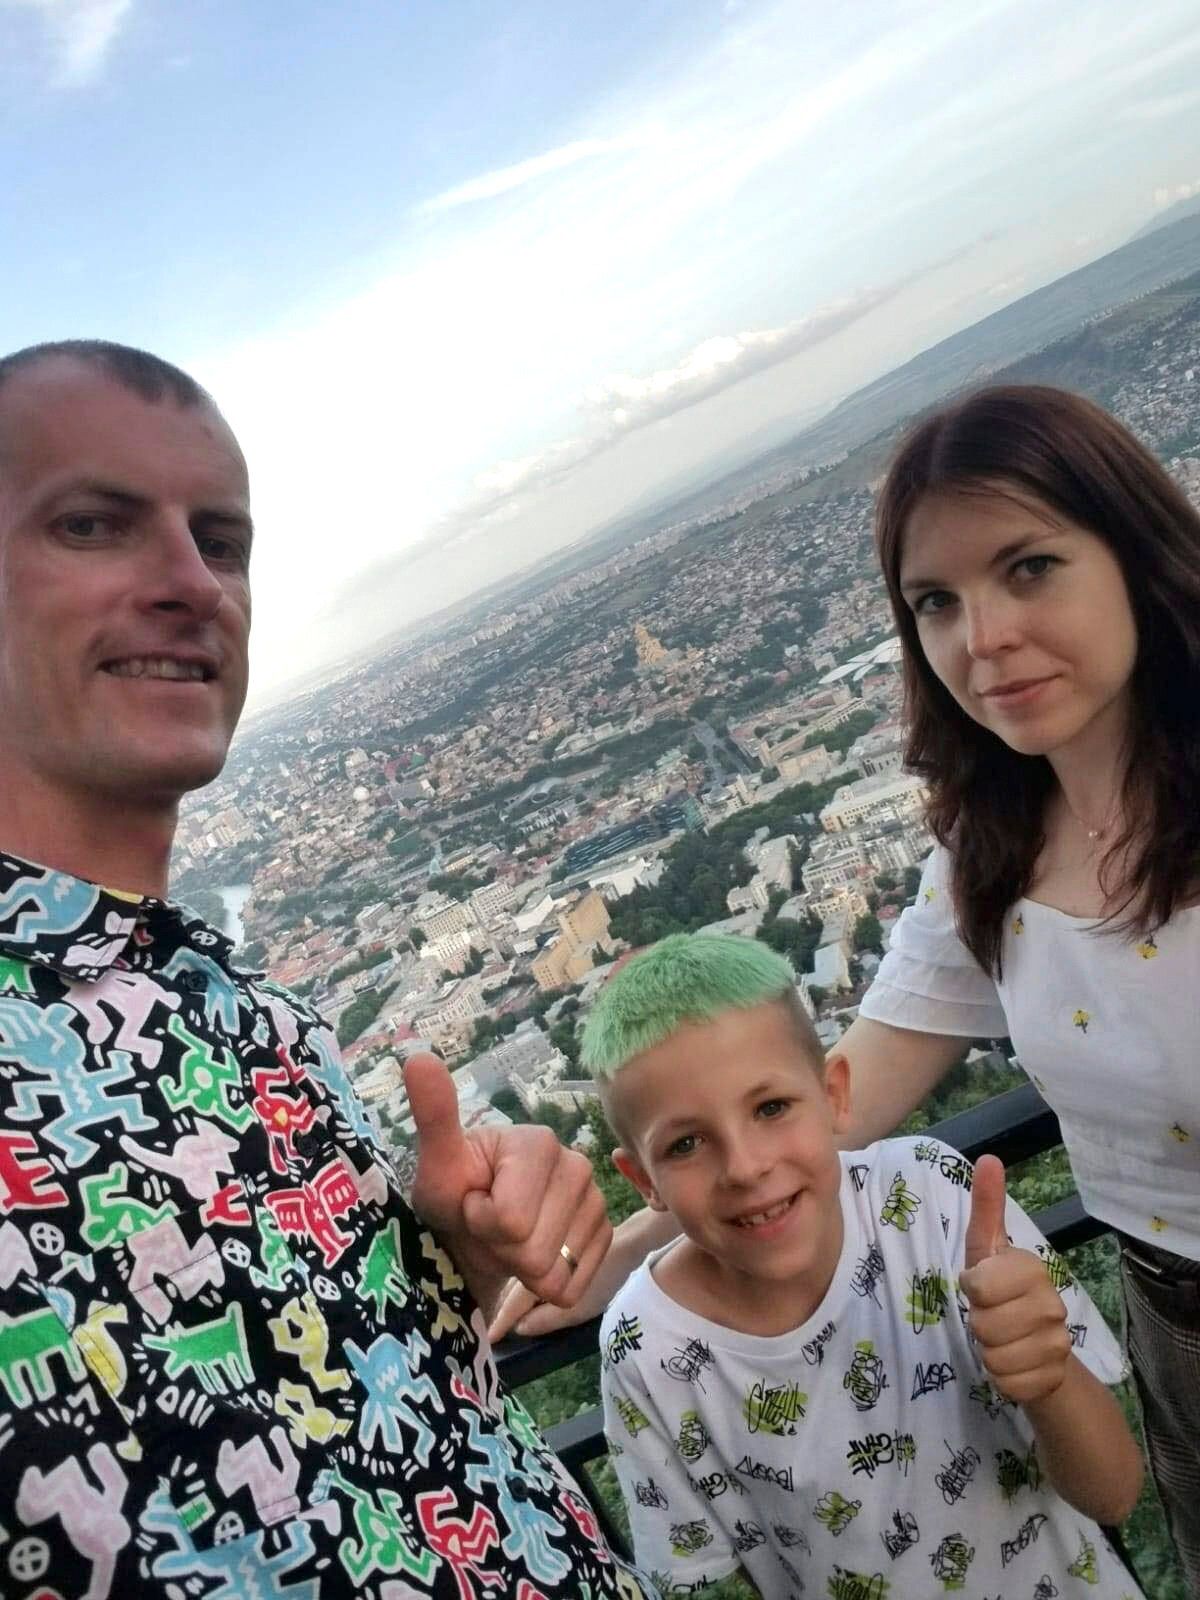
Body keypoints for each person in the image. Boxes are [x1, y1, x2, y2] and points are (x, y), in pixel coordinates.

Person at [493, 384, 1200, 1589]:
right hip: (1167, 1310)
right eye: (936, 602)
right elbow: (838, 1097)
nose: (982, 638)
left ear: (1132, 553)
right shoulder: (989, 857)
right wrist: (608, 1259)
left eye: (1029, 567)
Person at [0, 340, 652, 1599]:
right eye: (91, 524)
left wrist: (454, 1256)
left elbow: (354, 1406)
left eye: (222, 541)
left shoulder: (260, 1022)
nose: (193, 583)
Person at [585, 933, 1143, 1597]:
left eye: (770, 1107)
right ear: (642, 1180)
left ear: (834, 1095)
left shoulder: (930, 1197)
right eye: (685, 1144)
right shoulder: (646, 1349)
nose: (745, 1166)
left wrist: (1047, 1377)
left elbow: (1114, 1494)